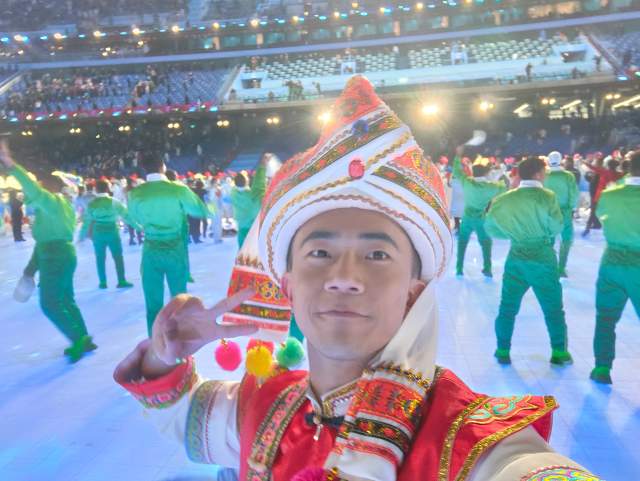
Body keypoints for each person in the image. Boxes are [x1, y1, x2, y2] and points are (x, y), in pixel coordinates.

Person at [113, 77, 599, 481]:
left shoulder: (466, 438)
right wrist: (163, 354)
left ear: (413, 292)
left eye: (376, 255)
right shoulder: (264, 406)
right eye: (320, 253)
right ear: (288, 287)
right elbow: (181, 415)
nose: (344, 277)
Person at [0, 140, 95, 363]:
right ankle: (83, 336)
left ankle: (78, 339)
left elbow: (33, 191)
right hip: (62, 254)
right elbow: (42, 243)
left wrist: (10, 164)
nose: (29, 194)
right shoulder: (62, 206)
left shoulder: (51, 202)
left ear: (47, 187)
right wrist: (30, 270)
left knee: (50, 303)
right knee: (66, 299)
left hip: (55, 256)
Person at [485, 156, 572, 366]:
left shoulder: (505, 198)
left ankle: (502, 349)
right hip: (542, 258)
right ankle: (559, 352)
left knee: (507, 307)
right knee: (553, 308)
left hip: (516, 256)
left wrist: (513, 234)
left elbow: (491, 227)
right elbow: (557, 226)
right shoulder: (547, 197)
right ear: (538, 174)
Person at [127, 152, 208, 335]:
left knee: (153, 303)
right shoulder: (178, 189)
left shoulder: (135, 194)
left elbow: (134, 219)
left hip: (151, 250)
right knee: (179, 299)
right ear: (163, 166)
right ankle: (180, 339)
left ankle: (155, 342)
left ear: (144, 169)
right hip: (175, 250)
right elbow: (199, 210)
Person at [590, 151, 640, 384]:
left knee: (606, 318)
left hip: (612, 263)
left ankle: (602, 367)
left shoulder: (610, 195)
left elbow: (602, 217)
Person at [452, 149, 506, 277]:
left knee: (462, 243)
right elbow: (504, 187)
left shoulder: (467, 182)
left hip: (466, 218)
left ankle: (459, 269)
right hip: (481, 219)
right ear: (486, 173)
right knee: (486, 243)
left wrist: (458, 156)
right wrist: (498, 173)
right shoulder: (491, 187)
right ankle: (487, 268)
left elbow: (456, 171)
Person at [80, 178, 136, 289]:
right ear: (108, 188)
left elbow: (86, 222)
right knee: (118, 257)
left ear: (96, 189)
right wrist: (139, 227)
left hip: (98, 233)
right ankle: (121, 280)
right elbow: (127, 216)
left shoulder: (92, 204)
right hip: (112, 232)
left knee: (100, 258)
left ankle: (103, 282)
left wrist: (81, 236)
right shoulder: (114, 202)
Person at [543, 151, 579, 277]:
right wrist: (572, 208)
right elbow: (573, 194)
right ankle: (561, 268)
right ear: (561, 160)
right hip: (565, 211)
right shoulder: (568, 176)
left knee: (549, 239)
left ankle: (549, 265)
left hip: (548, 211)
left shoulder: (544, 175)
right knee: (566, 239)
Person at [231, 156, 267, 247]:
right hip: (253, 228)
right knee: (254, 251)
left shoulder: (233, 193)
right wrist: (262, 166)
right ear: (246, 181)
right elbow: (259, 185)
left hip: (241, 227)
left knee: (242, 249)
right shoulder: (252, 196)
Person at [583, 156, 623, 236]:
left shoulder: (604, 171)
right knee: (611, 215)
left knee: (593, 213)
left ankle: (587, 229)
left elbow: (592, 167)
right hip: (611, 197)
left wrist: (584, 162)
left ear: (608, 165)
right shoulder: (619, 174)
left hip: (599, 197)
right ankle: (614, 231)